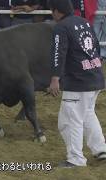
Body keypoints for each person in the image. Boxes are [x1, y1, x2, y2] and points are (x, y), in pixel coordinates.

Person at [47, 0, 106, 168]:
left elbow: (58, 53)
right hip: (95, 77)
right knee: (87, 114)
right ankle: (100, 148)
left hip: (78, 82)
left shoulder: (61, 27)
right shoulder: (85, 23)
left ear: (56, 11)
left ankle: (76, 159)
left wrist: (55, 78)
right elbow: (96, 47)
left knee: (69, 120)